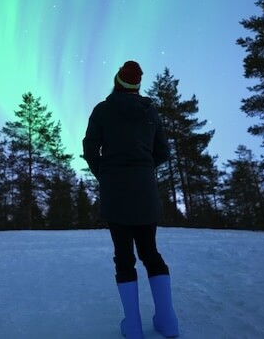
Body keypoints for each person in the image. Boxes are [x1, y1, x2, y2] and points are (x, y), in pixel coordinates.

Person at [82, 60, 179, 339]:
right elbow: (163, 151)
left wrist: (105, 173)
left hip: (116, 190)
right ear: (137, 86)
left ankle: (133, 326)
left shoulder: (102, 110)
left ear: (117, 82)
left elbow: (90, 147)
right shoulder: (151, 112)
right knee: (150, 252)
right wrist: (144, 169)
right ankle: (168, 321)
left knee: (124, 258)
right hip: (145, 190)